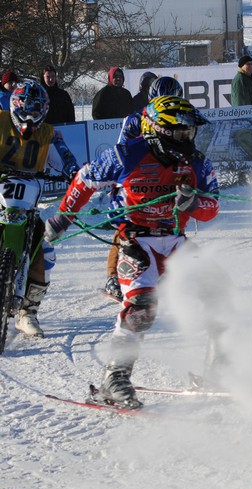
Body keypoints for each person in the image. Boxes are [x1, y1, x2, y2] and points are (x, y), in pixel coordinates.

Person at [44, 96, 219, 410]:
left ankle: (220, 368)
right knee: (142, 307)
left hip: (176, 242)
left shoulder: (196, 161)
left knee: (218, 292)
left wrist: (194, 203)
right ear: (158, 130)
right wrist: (62, 217)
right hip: (137, 241)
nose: (187, 138)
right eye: (180, 132)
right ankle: (115, 378)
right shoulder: (126, 154)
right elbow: (84, 180)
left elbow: (212, 206)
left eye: (189, 132)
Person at [95, 76, 186, 304]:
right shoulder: (135, 119)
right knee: (126, 224)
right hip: (136, 178)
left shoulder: (181, 120)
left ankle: (166, 270)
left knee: (171, 220)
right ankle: (113, 276)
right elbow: (121, 149)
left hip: (165, 178)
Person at [0, 80, 80, 337]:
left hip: (28, 200)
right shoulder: (0, 121)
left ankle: (28, 312)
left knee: (42, 250)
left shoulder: (48, 133)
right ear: (15, 105)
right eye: (27, 109)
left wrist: (73, 173)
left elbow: (66, 158)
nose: (30, 117)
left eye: (37, 111)